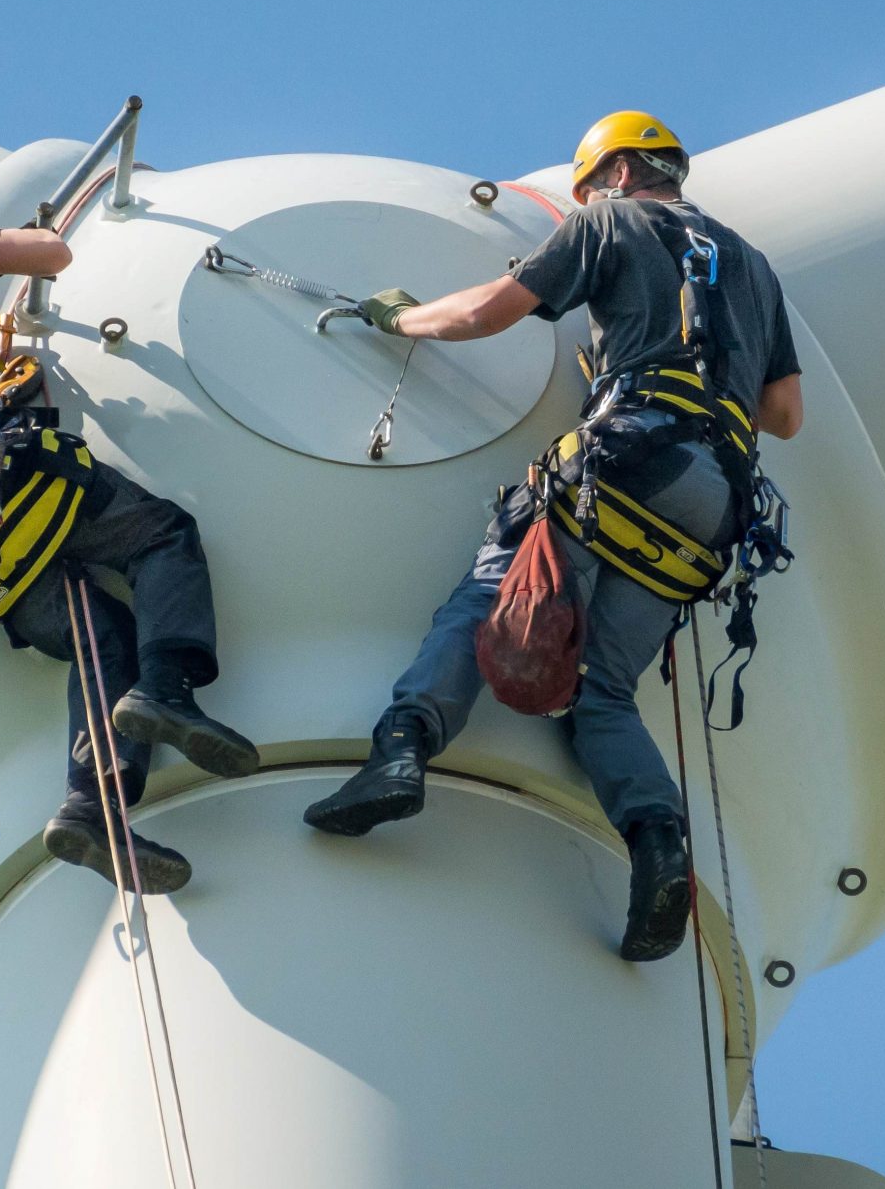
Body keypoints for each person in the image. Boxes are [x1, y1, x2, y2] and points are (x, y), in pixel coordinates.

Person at [300, 113, 805, 960]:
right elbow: (785, 415)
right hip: (715, 506)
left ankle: (401, 752)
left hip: (628, 456)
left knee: (488, 600)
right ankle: (658, 847)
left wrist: (401, 321)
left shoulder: (609, 222)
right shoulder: (752, 267)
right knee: (601, 691)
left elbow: (489, 314)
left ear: (611, 174)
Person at [0, 151, 260, 894]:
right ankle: (168, 688)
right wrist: (22, 238)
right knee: (160, 534)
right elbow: (46, 254)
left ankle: (92, 809)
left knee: (98, 633)